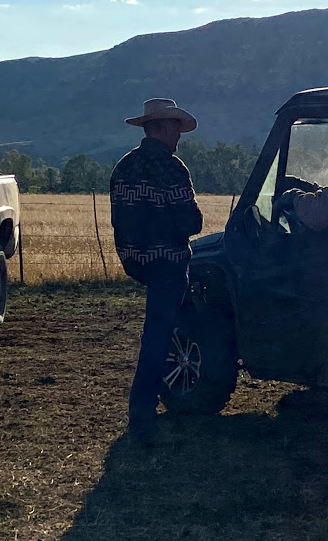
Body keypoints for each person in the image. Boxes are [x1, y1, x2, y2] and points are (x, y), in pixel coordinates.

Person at [110, 98, 203, 443]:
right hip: (168, 262)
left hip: (137, 261)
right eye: (175, 127)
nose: (179, 134)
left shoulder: (124, 166)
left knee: (177, 322)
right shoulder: (171, 168)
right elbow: (191, 222)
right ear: (163, 127)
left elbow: (120, 218)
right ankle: (143, 417)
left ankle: (191, 386)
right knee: (158, 336)